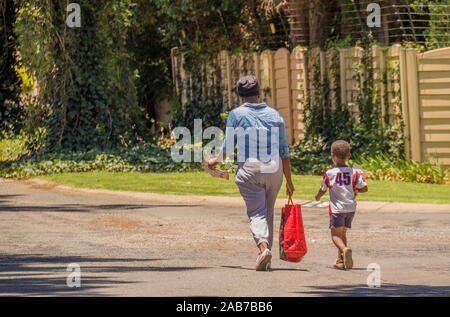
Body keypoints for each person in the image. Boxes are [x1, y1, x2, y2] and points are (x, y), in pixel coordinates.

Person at [207, 75, 295, 271]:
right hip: (275, 169)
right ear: (259, 93)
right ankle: (267, 256)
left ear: (240, 95)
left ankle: (263, 249)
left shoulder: (237, 114)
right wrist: (289, 180)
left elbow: (228, 147)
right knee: (268, 212)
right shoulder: (274, 115)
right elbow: (284, 151)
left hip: (250, 169)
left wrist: (213, 161)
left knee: (257, 213)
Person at [315, 140, 368, 270]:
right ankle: (341, 260)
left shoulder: (330, 173)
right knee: (343, 233)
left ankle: (344, 249)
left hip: (337, 209)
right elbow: (364, 188)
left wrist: (317, 197)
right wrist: (356, 189)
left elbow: (323, 189)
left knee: (335, 235)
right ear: (349, 155)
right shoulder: (354, 172)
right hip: (350, 208)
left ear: (333, 156)